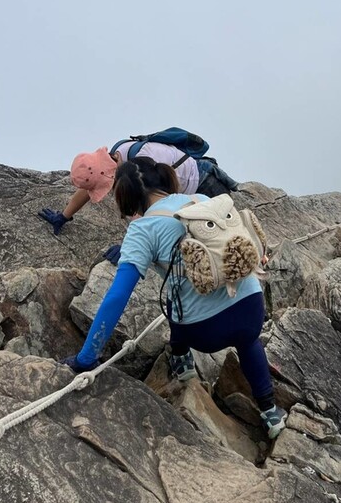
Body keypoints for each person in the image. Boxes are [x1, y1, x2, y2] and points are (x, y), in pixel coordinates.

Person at [62, 156, 287, 439]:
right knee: (248, 341)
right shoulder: (200, 199)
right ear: (162, 178)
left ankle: (182, 363)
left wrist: (87, 357)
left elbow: (117, 297)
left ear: (126, 195)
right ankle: (270, 413)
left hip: (204, 332)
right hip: (251, 307)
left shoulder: (141, 229)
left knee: (173, 299)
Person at [38, 139, 239, 238]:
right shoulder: (117, 157)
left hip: (205, 183)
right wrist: (64, 216)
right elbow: (87, 188)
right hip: (187, 194)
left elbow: (150, 211)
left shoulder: (143, 163)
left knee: (230, 235)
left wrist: (130, 247)